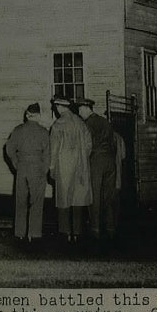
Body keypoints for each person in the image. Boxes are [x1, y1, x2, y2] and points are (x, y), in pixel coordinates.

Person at [4, 102, 50, 245]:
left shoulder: (18, 130)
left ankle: (19, 233)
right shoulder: (44, 132)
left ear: (27, 115)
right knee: (36, 201)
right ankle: (34, 233)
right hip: (37, 167)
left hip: (22, 167)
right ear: (38, 116)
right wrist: (44, 169)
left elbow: (9, 149)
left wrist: (16, 164)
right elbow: (48, 154)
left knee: (21, 200)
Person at [49, 96, 92, 243]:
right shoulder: (81, 123)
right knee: (78, 199)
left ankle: (65, 232)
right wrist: (82, 160)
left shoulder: (58, 125)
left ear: (60, 107)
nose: (56, 109)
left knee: (63, 199)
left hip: (64, 166)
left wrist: (52, 167)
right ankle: (77, 233)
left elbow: (53, 150)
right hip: (80, 165)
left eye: (56, 107)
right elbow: (88, 146)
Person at [77, 98, 116, 242]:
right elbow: (114, 143)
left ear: (87, 108)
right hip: (110, 161)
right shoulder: (105, 122)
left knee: (93, 196)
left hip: (96, 161)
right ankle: (111, 230)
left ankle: (95, 231)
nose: (79, 112)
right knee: (108, 197)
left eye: (80, 109)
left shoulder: (87, 124)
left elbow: (86, 147)